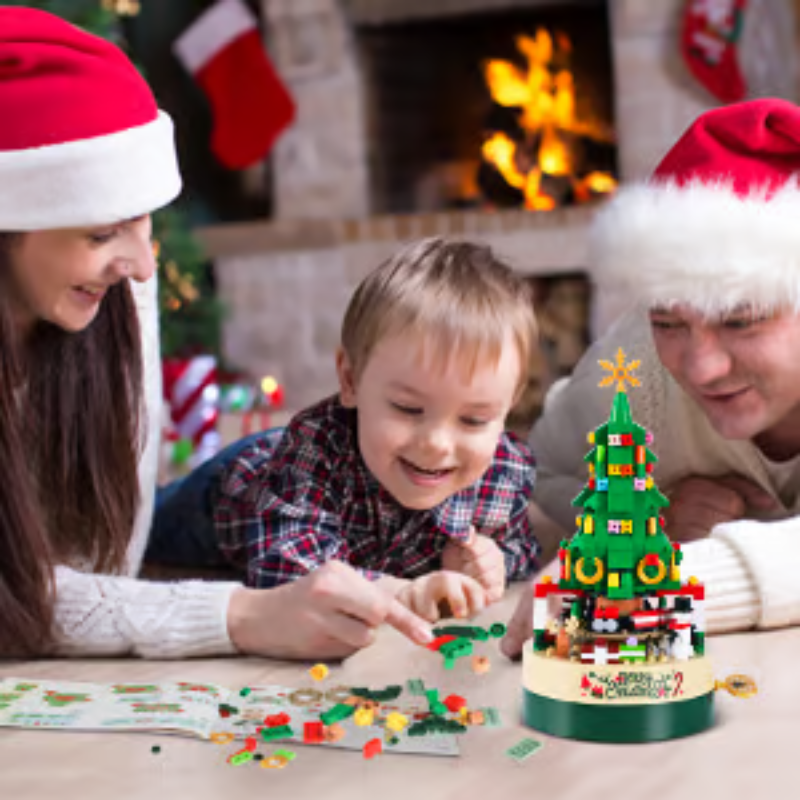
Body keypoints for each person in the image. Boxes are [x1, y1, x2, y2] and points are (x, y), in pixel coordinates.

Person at [0, 7, 433, 661]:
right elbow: (19, 597)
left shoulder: (121, 288)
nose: (143, 266)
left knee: (281, 460)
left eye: (144, 223)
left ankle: (420, 564)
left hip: (78, 558)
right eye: (100, 235)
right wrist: (241, 616)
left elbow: (114, 551)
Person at [502, 97, 800, 658]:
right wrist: (646, 515)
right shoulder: (636, 371)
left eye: (742, 320)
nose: (701, 367)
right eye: (668, 322)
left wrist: (651, 581)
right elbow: (535, 475)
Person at [213, 237, 541, 621]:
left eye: (473, 420)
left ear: (509, 405)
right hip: (235, 486)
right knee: (148, 522)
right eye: (407, 408)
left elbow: (525, 549)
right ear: (350, 381)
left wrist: (491, 561)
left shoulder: (506, 471)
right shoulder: (316, 447)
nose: (436, 444)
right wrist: (399, 592)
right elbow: (284, 570)